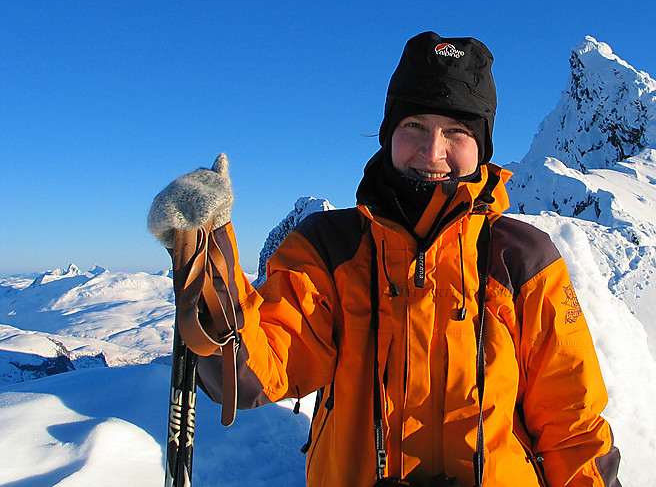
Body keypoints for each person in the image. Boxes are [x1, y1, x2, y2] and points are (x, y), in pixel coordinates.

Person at [148, 31, 621, 487]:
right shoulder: (330, 248)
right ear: (388, 135)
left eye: (456, 131)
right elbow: (255, 374)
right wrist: (207, 260)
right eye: (413, 125)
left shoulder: (521, 259)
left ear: (482, 148)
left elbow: (571, 426)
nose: (432, 151)